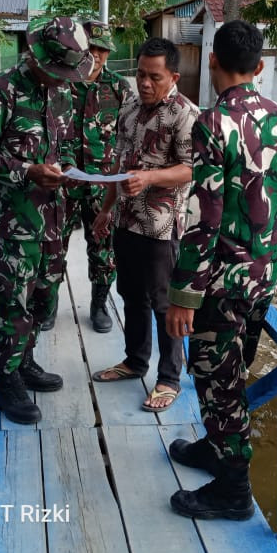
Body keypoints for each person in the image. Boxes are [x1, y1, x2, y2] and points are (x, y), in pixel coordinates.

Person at [164, 20, 277, 520]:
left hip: (220, 280)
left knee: (219, 382)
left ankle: (233, 490)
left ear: (212, 60)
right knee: (233, 370)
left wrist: (184, 293)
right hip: (265, 273)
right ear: (260, 68)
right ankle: (216, 450)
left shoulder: (212, 123)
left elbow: (206, 216)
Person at [0, 17, 93, 425]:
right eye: (58, 71)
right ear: (36, 58)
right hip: (16, 221)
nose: (63, 79)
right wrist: (26, 170)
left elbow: (67, 143)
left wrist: (67, 168)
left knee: (44, 296)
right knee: (13, 300)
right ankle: (5, 382)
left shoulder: (62, 94)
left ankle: (25, 361)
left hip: (55, 219)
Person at [92, 37, 198, 412]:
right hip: (125, 221)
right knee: (131, 296)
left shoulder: (186, 114)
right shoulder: (131, 107)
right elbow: (119, 165)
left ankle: (169, 378)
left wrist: (150, 179)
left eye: (154, 77)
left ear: (173, 76)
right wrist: (106, 210)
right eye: (140, 74)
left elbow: (190, 169)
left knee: (164, 304)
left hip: (160, 227)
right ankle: (135, 361)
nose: (145, 83)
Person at [44, 19, 135, 333]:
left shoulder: (120, 88)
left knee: (103, 247)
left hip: (102, 186)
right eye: (90, 48)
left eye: (102, 49)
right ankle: (49, 303)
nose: (96, 55)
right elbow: (48, 133)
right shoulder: (60, 84)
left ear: (109, 53)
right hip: (64, 184)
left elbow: (130, 135)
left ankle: (99, 304)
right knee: (55, 246)